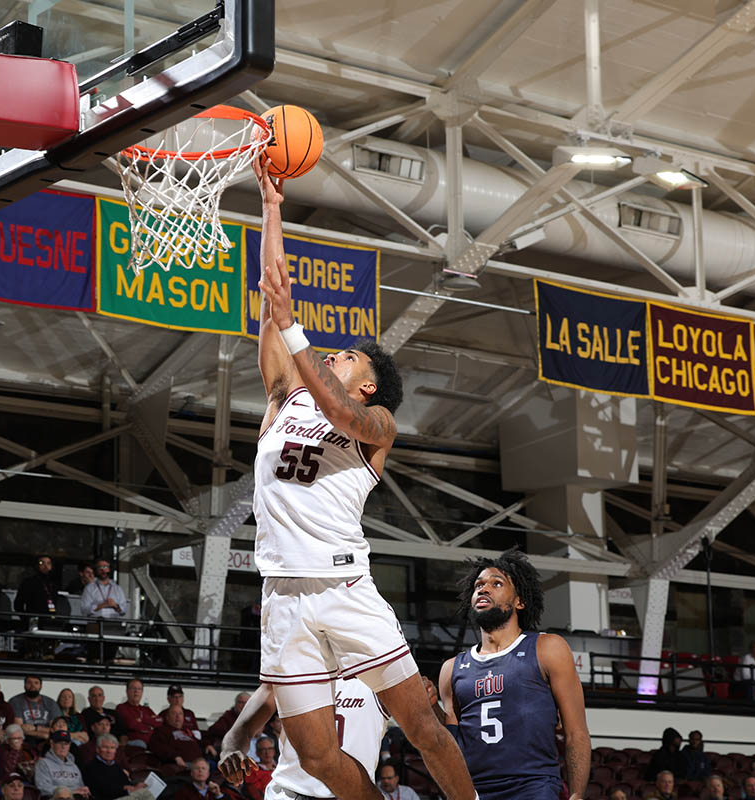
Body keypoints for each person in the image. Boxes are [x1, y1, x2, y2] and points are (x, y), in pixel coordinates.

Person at [252, 157, 473, 800]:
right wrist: (272, 207)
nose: (332, 352)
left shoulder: (374, 422)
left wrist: (295, 327)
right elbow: (273, 295)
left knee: (422, 724)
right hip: (281, 596)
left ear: (368, 380)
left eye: (346, 354)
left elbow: (336, 409)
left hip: (345, 585)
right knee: (318, 760)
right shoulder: (283, 397)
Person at [437, 549, 590, 800]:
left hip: (532, 785)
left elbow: (576, 732)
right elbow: (449, 741)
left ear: (519, 601)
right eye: (479, 585)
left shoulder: (547, 648)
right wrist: (431, 707)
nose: (484, 589)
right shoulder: (451, 668)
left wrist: (576, 794)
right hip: (472, 790)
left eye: (496, 583)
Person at [219, 679, 387, 800]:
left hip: (351, 794)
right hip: (291, 792)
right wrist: (231, 750)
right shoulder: (292, 673)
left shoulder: (378, 679)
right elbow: (243, 727)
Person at [80, 558, 128, 663]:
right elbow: (84, 609)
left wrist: (115, 606)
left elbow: (123, 610)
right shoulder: (90, 588)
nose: (103, 570)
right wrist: (100, 606)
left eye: (105, 567)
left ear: (109, 569)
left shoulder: (117, 588)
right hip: (95, 625)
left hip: (112, 626)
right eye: (100, 567)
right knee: (94, 657)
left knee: (109, 657)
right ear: (96, 570)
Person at [81, 734, 153, 800]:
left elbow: (125, 783)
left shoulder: (116, 766)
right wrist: (126, 789)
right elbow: (103, 790)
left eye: (112, 748)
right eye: (105, 747)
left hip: (124, 796)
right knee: (144, 794)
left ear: (116, 750)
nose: (109, 751)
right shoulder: (91, 767)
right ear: (97, 749)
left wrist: (136, 786)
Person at [33, 731, 89, 799]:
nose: (63, 746)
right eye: (60, 743)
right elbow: (43, 788)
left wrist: (84, 790)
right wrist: (71, 792)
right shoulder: (43, 763)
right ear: (52, 744)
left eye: (66, 743)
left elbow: (80, 787)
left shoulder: (74, 766)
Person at [9, 676, 59, 743]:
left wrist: (35, 728)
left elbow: (56, 729)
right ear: (24, 685)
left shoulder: (50, 703)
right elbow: (18, 728)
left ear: (40, 686)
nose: (33, 685)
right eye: (29, 683)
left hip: (47, 740)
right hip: (24, 740)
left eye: (36, 683)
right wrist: (42, 734)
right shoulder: (16, 701)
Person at [16, 555, 61, 630]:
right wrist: (25, 619)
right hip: (33, 619)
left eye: (48, 563)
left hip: (49, 621)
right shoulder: (28, 582)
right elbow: (18, 604)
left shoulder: (53, 584)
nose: (45, 566)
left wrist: (53, 616)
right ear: (37, 565)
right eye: (42, 563)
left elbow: (54, 603)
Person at [114, 679, 160, 748]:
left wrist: (142, 720)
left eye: (139, 689)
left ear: (142, 692)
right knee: (141, 744)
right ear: (127, 691)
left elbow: (159, 722)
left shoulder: (146, 709)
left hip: (151, 741)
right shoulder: (121, 707)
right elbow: (131, 724)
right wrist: (150, 724)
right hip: (134, 741)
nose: (136, 691)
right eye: (133, 688)